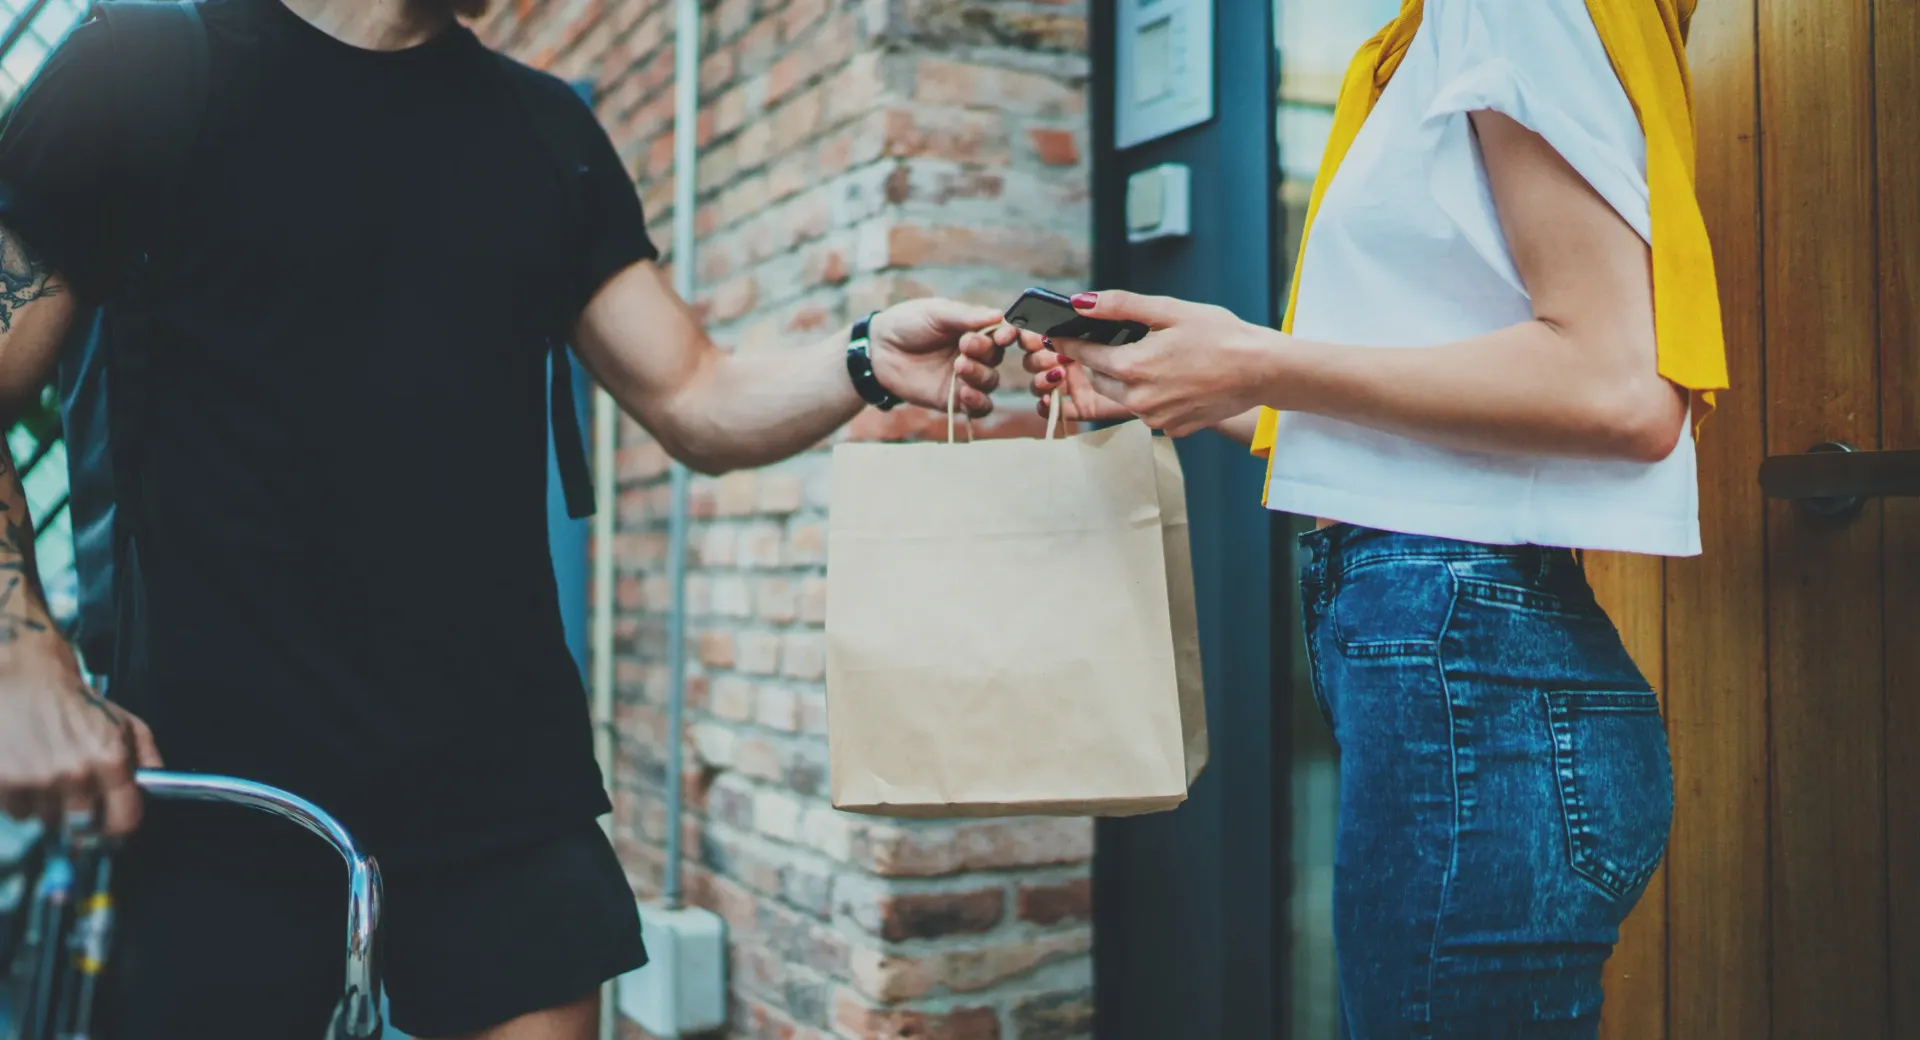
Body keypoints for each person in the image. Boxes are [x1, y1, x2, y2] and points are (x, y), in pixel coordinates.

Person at [0, 0, 1015, 1032]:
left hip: (500, 795)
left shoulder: (543, 129)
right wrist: (23, 661)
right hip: (216, 790)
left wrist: (865, 357)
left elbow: (695, 394)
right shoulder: (141, 68)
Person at [1024, 0, 1723, 1035]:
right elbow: (1426, 423)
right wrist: (1196, 387)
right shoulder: (1424, 37)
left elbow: (1619, 387)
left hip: (1475, 673)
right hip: (1468, 666)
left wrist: (1259, 356)